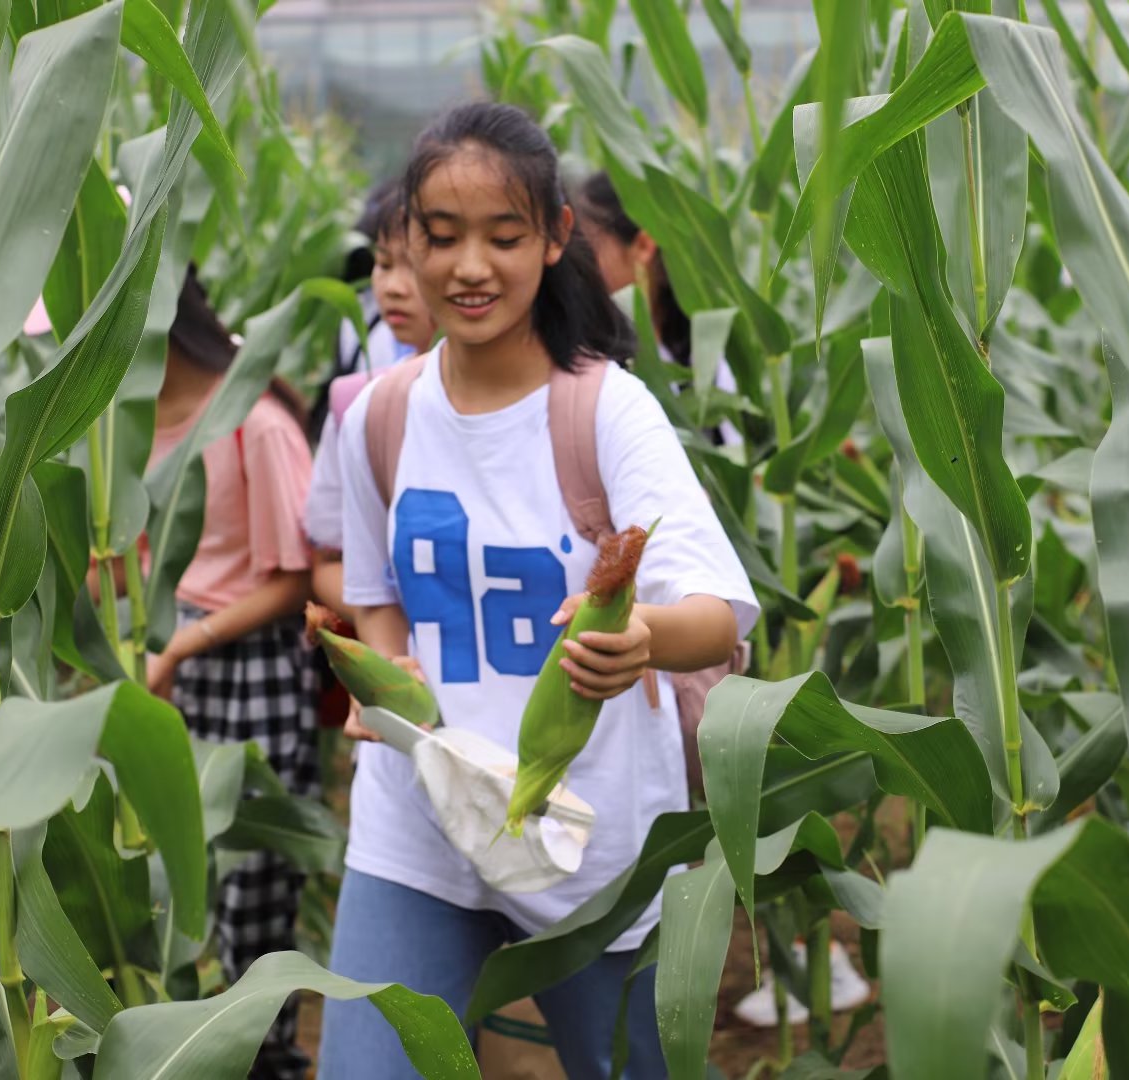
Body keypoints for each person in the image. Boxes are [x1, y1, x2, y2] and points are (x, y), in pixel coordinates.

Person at [316, 103, 757, 1079]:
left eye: (504, 237)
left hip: (589, 843)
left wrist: (640, 636)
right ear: (407, 244)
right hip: (421, 820)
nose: (471, 267)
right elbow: (376, 590)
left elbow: (720, 611)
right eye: (441, 237)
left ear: (558, 238)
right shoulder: (379, 416)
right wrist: (385, 672)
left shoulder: (604, 410)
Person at [145, 266, 317, 1080]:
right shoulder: (120, 426)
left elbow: (295, 579)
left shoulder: (255, 420)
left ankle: (263, 1056)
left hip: (242, 669)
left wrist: (182, 644)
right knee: (174, 885)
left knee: (249, 888)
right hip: (161, 671)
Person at [306, 181, 437, 616]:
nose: (393, 287)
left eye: (413, 267)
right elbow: (329, 558)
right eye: (383, 264)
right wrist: (397, 647)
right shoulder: (360, 403)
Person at [573, 170, 741, 445]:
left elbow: (735, 456)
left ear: (642, 245)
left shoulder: (702, 355)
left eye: (588, 247)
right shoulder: (581, 353)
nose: (577, 263)